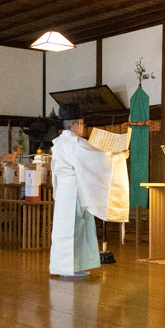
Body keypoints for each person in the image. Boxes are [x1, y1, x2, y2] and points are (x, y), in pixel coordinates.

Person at [48, 105, 119, 278]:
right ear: (74, 126)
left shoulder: (57, 144)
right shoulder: (77, 143)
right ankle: (71, 267)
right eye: (81, 124)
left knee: (65, 229)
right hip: (75, 189)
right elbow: (99, 158)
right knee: (77, 228)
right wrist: (116, 155)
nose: (82, 127)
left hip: (64, 190)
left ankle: (68, 266)